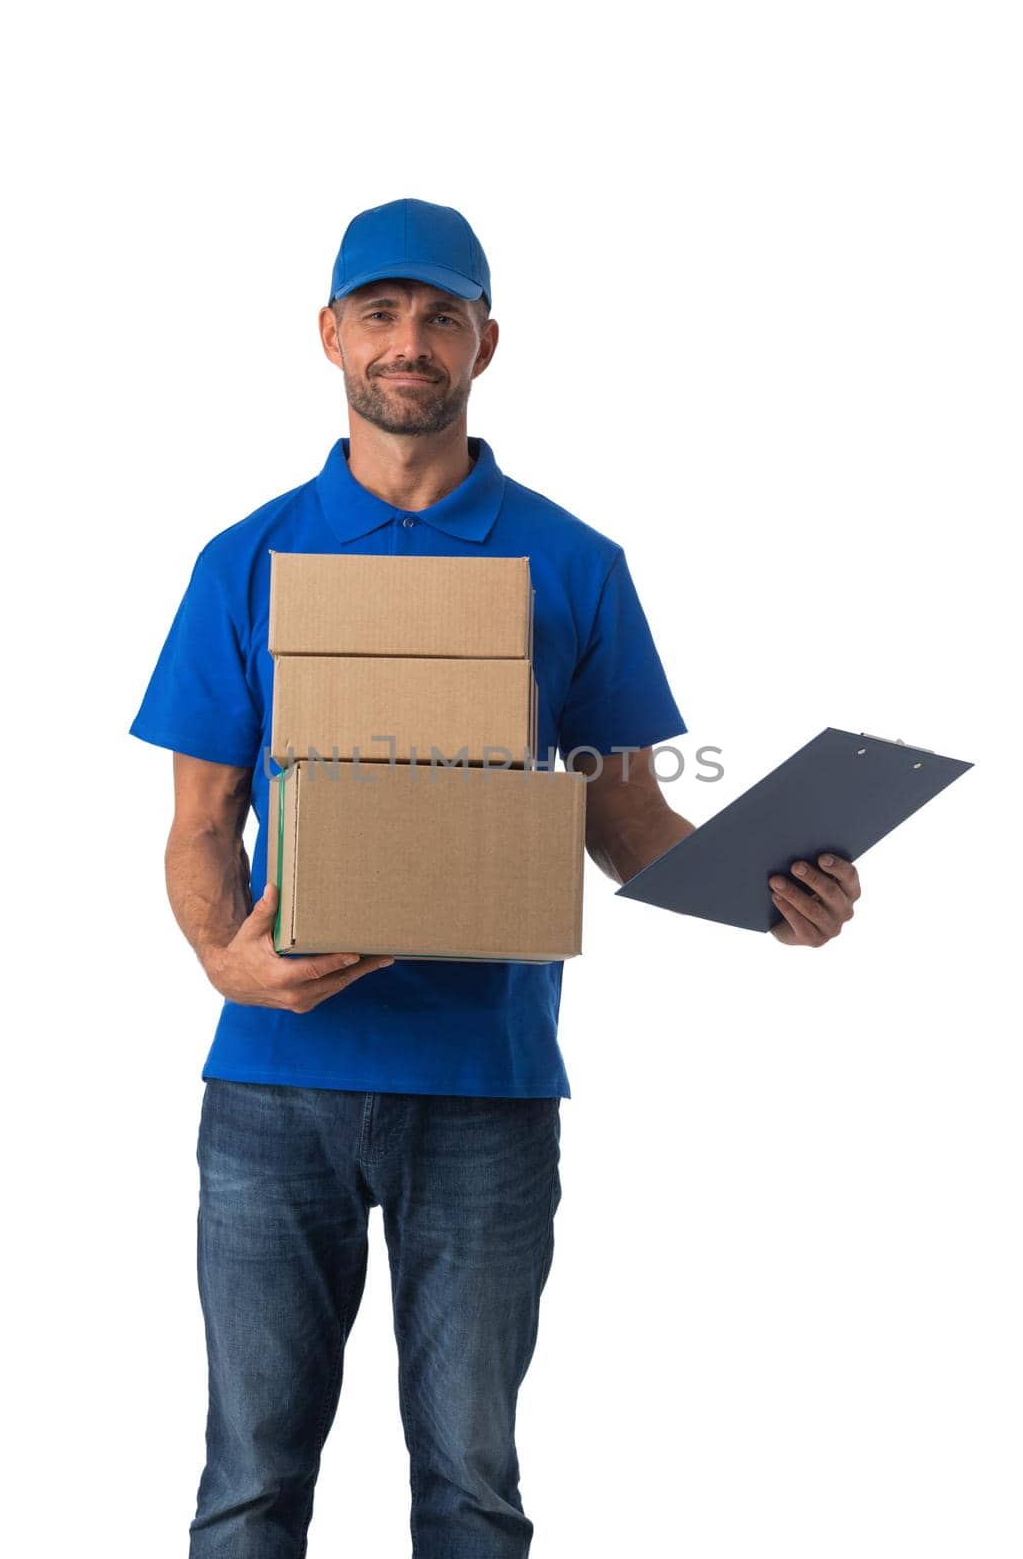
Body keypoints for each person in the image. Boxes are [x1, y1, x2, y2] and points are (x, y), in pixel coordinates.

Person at [129, 197, 862, 1558]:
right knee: (247, 1482)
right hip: (277, 1082)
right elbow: (197, 820)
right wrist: (225, 960)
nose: (412, 344)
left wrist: (769, 898)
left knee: (472, 1485)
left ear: (487, 343)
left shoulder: (573, 566)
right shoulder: (246, 562)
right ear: (332, 334)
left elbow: (626, 813)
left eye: (443, 318)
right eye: (385, 314)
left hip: (488, 1087)